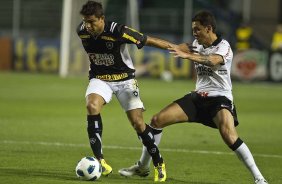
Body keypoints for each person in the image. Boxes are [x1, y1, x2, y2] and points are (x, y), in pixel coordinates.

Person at [119, 11, 268, 184]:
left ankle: (259, 178)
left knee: (229, 135)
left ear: (209, 28)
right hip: (197, 99)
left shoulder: (224, 46)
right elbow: (179, 46)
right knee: (157, 120)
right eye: (193, 30)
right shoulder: (197, 44)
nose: (194, 33)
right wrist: (152, 42)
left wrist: (188, 56)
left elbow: (212, 60)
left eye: (197, 29)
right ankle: (142, 167)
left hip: (219, 100)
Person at [77, 1, 175, 182]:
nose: (87, 26)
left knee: (138, 123)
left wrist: (174, 48)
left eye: (91, 22)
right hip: (100, 79)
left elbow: (146, 40)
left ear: (102, 19)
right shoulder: (81, 30)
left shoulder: (117, 30)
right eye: (85, 22)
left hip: (125, 80)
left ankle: (158, 162)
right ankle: (100, 161)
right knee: (92, 106)